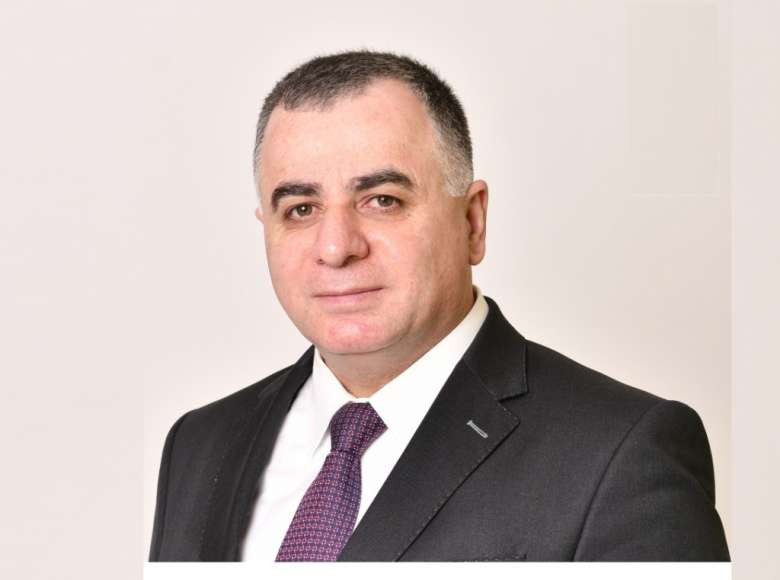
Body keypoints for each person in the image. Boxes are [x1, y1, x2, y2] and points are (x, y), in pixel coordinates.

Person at [149, 50, 730, 562]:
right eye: (301, 209)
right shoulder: (199, 445)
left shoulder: (620, 454)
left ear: (472, 221)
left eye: (382, 200)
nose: (336, 247)